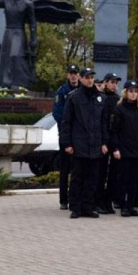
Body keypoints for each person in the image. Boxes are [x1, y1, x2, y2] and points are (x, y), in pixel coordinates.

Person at [59, 67, 109, 219]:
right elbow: (66, 122)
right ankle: (76, 207)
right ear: (81, 78)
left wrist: (105, 143)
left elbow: (104, 123)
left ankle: (88, 207)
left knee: (92, 178)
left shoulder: (101, 98)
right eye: (87, 77)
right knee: (77, 178)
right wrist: (67, 143)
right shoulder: (73, 97)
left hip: (95, 145)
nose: (90, 80)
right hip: (79, 144)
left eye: (92, 77)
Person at [109, 81, 138, 217]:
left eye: (136, 91)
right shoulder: (119, 109)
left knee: (134, 181)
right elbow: (114, 131)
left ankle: (131, 206)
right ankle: (123, 206)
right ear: (125, 92)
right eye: (131, 91)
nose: (133, 94)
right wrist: (116, 148)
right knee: (123, 180)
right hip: (124, 151)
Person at [52, 66, 79, 210]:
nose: (74, 76)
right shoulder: (62, 91)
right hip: (65, 136)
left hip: (79, 137)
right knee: (65, 169)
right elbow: (57, 114)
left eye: (76, 74)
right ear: (68, 75)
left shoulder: (82, 90)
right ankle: (64, 200)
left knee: (78, 169)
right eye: (71, 74)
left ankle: (76, 197)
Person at [95, 72, 121, 214]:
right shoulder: (101, 98)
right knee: (101, 172)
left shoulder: (118, 100)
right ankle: (98, 202)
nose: (114, 85)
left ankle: (108, 201)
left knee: (114, 174)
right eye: (112, 82)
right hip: (104, 140)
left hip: (115, 140)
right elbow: (102, 122)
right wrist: (103, 142)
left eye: (116, 83)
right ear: (105, 83)